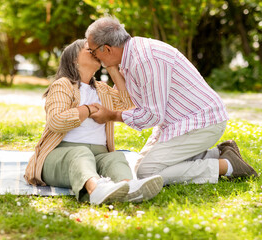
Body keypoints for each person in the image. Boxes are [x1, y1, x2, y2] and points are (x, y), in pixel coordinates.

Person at [85, 16, 258, 185]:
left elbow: (152, 116)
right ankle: (219, 153)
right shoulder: (131, 56)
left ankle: (227, 166)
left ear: (107, 49)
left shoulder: (145, 60)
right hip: (179, 123)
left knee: (147, 172)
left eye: (93, 52)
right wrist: (112, 69)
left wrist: (112, 116)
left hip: (201, 122)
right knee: (138, 166)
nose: (94, 57)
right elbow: (129, 103)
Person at [24, 39, 163, 204]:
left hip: (97, 155)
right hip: (60, 157)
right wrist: (87, 110)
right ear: (74, 59)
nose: (95, 51)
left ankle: (130, 188)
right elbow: (56, 121)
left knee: (115, 158)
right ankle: (95, 189)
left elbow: (128, 103)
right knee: (80, 154)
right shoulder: (63, 85)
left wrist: (112, 67)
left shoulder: (102, 89)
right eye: (89, 49)